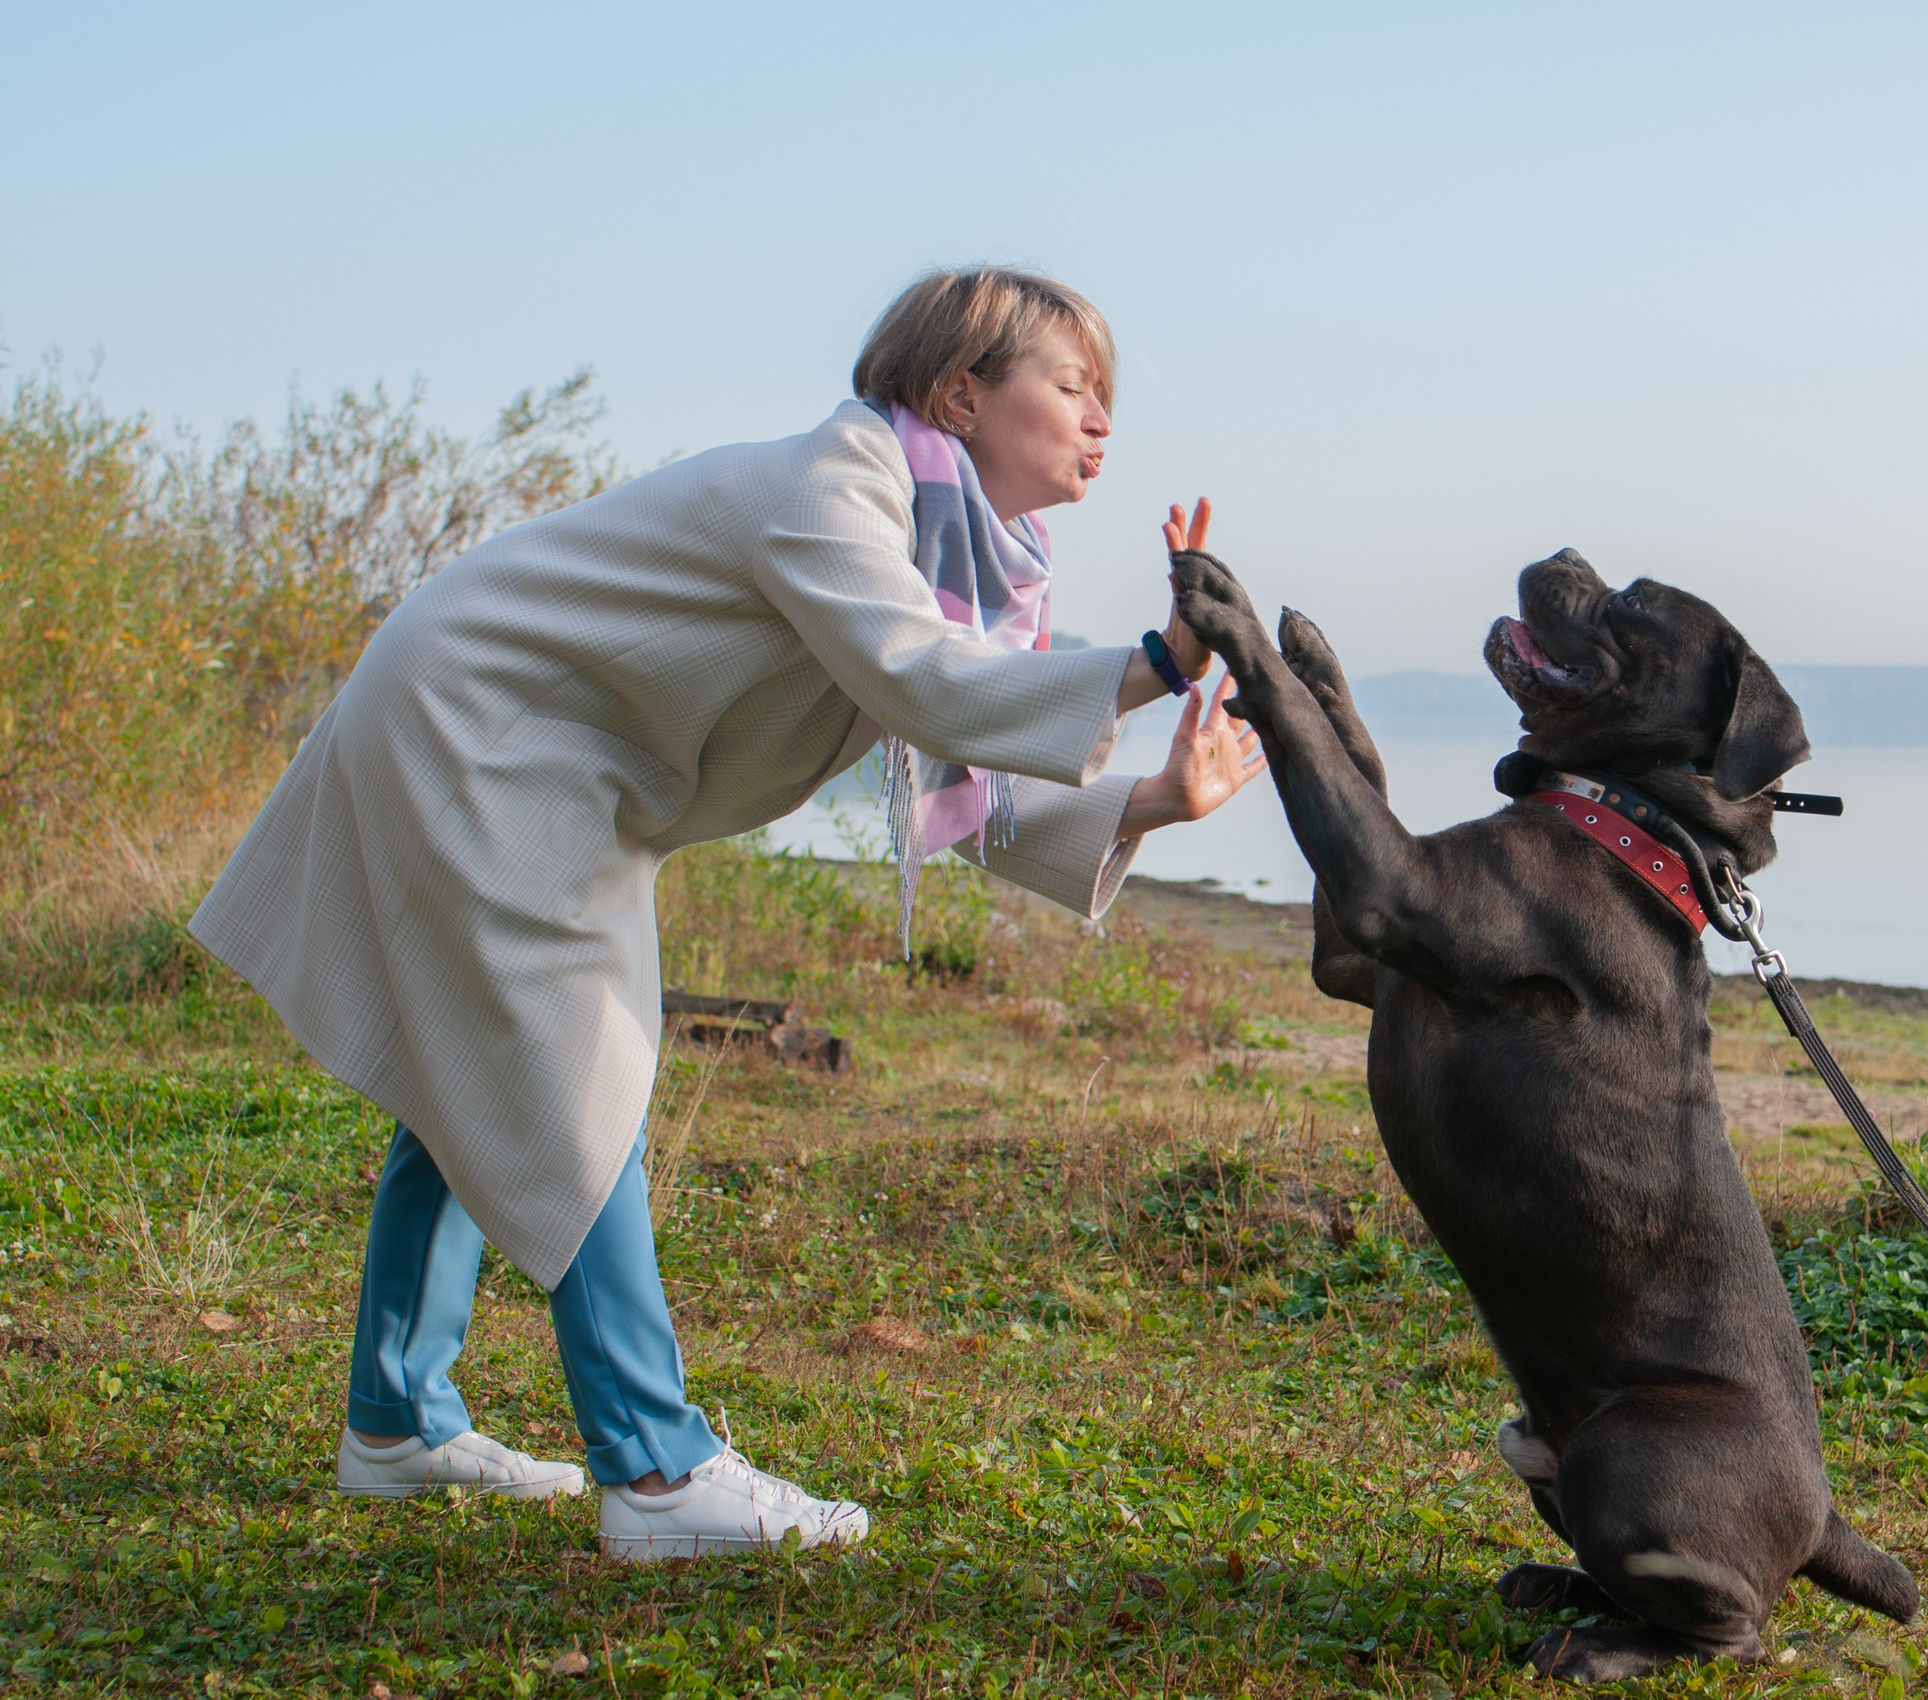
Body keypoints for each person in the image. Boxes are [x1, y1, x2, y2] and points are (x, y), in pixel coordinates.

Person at [189, 268, 1265, 1560]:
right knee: (580, 1063)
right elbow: (931, 690)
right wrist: (1150, 667)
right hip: (485, 727)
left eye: (1107, 398)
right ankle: (654, 1475)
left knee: (479, 1067)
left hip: (537, 753)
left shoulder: (954, 565)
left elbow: (965, 784)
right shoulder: (841, 487)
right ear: (959, 390)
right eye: (1073, 385)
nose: (1101, 422)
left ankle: (398, 1418)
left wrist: (1155, 796)